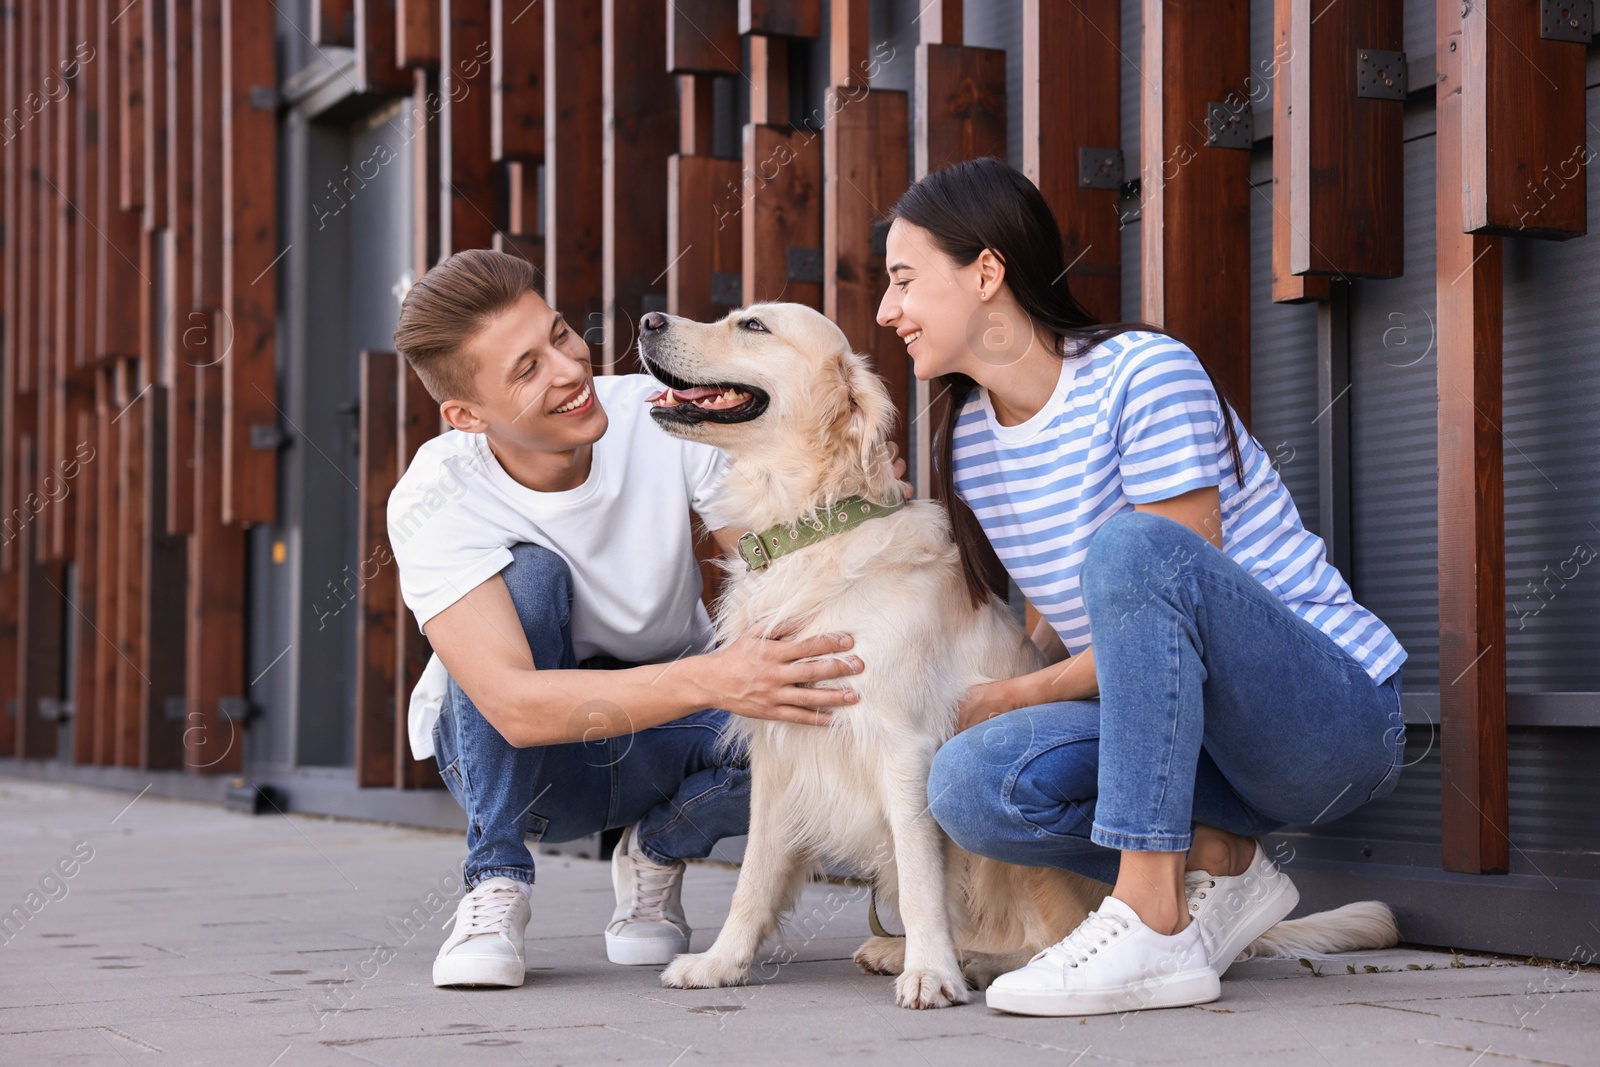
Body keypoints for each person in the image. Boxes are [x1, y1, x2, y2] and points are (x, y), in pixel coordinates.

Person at [875, 158, 1408, 1017]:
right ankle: (1223, 862)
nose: (885, 310)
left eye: (903, 280)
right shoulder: (973, 439)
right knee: (967, 780)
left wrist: (1021, 690)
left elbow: (1161, 579)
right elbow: (1064, 606)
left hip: (1326, 722)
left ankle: (1152, 919)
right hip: (1186, 749)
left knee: (1134, 548)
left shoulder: (1140, 372)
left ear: (985, 272)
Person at [387, 249, 882, 988]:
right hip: (529, 772)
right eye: (526, 369)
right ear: (466, 414)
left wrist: (854, 489)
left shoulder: (663, 415)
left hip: (670, 736)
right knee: (533, 576)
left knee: (812, 710)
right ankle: (495, 879)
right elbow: (514, 707)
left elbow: (773, 574)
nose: (566, 369)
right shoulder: (437, 492)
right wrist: (717, 677)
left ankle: (657, 846)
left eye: (558, 334)